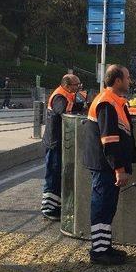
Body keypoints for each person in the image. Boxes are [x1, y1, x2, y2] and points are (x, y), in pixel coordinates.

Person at [83, 65, 136, 265]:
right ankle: (99, 251)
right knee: (102, 206)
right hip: (104, 166)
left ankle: (104, 246)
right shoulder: (107, 103)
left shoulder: (114, 101)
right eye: (127, 77)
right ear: (117, 81)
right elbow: (110, 140)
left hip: (106, 165)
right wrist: (119, 169)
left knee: (107, 207)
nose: (129, 81)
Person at [41, 74, 83, 220]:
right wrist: (81, 104)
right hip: (54, 142)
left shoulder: (66, 94)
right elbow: (64, 111)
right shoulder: (59, 96)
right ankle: (48, 208)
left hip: (60, 141)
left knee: (58, 174)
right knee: (53, 174)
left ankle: (57, 205)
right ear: (67, 85)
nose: (78, 87)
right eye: (76, 85)